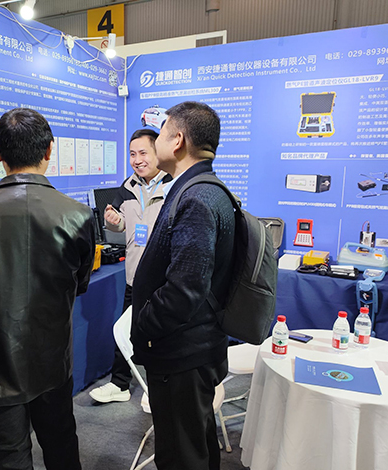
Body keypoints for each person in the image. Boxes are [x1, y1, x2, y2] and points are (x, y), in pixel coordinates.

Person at [0, 108, 95, 470]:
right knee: (62, 445)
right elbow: (79, 285)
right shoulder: (78, 214)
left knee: (8, 456)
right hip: (53, 360)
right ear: (49, 150)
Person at [131, 101, 235, 470]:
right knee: (195, 446)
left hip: (181, 356)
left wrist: (144, 324)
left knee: (180, 456)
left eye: (160, 133)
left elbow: (184, 290)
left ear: (177, 140)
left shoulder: (196, 198)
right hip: (192, 349)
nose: (155, 141)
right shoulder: (199, 189)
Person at [89, 129, 171, 403]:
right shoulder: (128, 186)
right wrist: (114, 222)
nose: (137, 160)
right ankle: (120, 384)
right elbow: (124, 224)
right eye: (132, 154)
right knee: (126, 332)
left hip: (164, 279)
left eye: (143, 153)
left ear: (157, 152)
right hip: (134, 276)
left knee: (164, 337)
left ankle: (160, 389)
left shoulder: (174, 184)